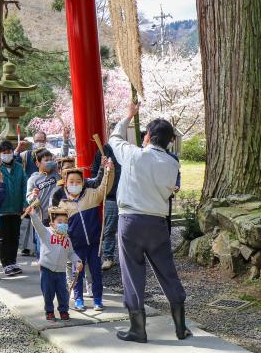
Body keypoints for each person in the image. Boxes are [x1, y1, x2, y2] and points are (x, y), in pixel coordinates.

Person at [109, 103, 190, 343]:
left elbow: (114, 137)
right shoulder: (173, 163)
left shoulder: (133, 155)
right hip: (157, 222)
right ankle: (180, 327)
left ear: (147, 137)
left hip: (131, 220)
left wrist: (128, 116)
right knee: (167, 271)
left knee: (133, 272)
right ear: (169, 141)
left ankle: (138, 329)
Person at [57, 165, 114, 313]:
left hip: (94, 243)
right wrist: (63, 241)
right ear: (65, 183)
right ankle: (78, 299)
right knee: (78, 273)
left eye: (78, 181)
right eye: (71, 182)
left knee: (96, 272)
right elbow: (61, 226)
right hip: (76, 246)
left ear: (83, 182)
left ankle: (97, 299)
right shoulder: (63, 203)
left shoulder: (90, 194)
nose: (74, 184)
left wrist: (109, 171)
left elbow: (104, 187)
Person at [27, 205, 81, 322]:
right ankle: (49, 311)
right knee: (48, 292)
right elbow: (38, 225)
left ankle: (63, 310)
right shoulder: (46, 233)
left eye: (65, 222)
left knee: (63, 293)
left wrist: (77, 261)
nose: (63, 224)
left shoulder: (67, 239)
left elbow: (71, 253)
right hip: (47, 269)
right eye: (60, 221)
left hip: (61, 271)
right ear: (52, 223)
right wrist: (33, 214)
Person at [0, 140, 27, 276]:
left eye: (9, 152)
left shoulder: (19, 167)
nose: (7, 155)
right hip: (2, 208)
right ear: (0, 154)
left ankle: (13, 262)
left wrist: (25, 203)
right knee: (4, 237)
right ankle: (6, 264)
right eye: (4, 153)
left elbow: (24, 186)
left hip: (16, 208)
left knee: (15, 236)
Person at [90, 142, 122, 271]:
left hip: (128, 194)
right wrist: (102, 169)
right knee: (109, 228)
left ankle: (130, 257)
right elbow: (94, 175)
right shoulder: (103, 151)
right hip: (111, 195)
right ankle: (108, 256)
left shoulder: (127, 149)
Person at [25, 149, 60, 257]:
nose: (49, 162)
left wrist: (65, 140)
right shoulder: (33, 179)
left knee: (58, 246)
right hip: (41, 218)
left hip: (57, 217)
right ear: (37, 163)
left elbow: (63, 157)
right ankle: (43, 271)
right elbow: (28, 198)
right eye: (46, 160)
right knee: (42, 248)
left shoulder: (56, 173)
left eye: (50, 159)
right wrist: (33, 195)